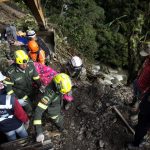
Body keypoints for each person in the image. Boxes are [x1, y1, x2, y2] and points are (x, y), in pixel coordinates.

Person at [33, 73, 72, 143]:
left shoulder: (58, 82)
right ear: (58, 86)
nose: (64, 93)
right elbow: (38, 112)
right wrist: (39, 132)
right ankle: (61, 128)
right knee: (59, 121)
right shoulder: (48, 96)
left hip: (56, 105)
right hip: (53, 111)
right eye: (63, 92)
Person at [128, 41, 150, 149]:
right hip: (138, 84)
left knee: (142, 118)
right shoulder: (147, 60)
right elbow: (143, 70)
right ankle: (134, 115)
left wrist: (143, 96)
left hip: (143, 91)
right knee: (135, 104)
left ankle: (134, 120)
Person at [6, 50, 41, 114]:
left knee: (38, 100)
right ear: (16, 62)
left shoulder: (30, 64)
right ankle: (29, 115)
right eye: (21, 64)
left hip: (30, 89)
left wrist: (41, 86)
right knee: (29, 108)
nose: (24, 65)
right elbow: (9, 89)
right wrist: (16, 100)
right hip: (20, 93)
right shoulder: (10, 72)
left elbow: (36, 77)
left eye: (25, 63)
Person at [0, 72, 29, 141]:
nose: (2, 83)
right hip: (17, 124)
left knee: (12, 140)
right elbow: (20, 114)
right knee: (24, 136)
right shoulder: (10, 99)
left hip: (5, 128)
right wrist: (26, 121)